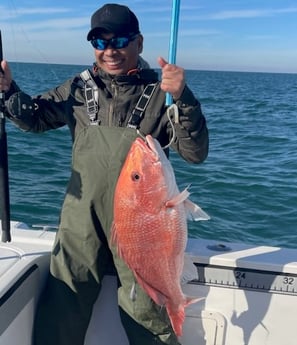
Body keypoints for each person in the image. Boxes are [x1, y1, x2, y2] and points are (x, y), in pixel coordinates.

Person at [0, 3, 208, 345]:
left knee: (145, 310)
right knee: (64, 303)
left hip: (143, 221)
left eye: (121, 40)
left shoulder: (162, 95)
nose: (110, 50)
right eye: (100, 42)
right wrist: (8, 92)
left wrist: (184, 98)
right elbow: (34, 118)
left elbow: (195, 153)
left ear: (139, 43)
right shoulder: (77, 89)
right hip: (82, 220)